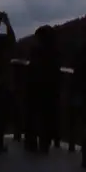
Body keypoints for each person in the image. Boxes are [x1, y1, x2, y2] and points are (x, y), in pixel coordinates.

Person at [23, 25, 63, 156]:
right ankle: (44, 144)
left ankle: (31, 142)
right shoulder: (55, 52)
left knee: (33, 115)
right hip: (50, 88)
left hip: (34, 87)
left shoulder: (36, 51)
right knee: (47, 116)